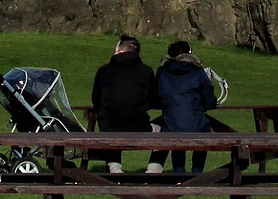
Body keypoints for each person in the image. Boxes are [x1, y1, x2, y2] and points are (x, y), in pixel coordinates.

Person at [90, 34, 160, 174]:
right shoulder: (146, 71)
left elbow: (96, 99)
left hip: (108, 125)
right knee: (163, 130)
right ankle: (154, 168)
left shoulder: (104, 70)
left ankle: (114, 166)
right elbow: (153, 99)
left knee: (114, 121)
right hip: (138, 126)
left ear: (118, 50)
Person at [156, 39, 221, 173]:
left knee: (174, 131)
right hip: (195, 123)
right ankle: (197, 172)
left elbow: (156, 96)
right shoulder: (198, 72)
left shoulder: (162, 72)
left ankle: (179, 172)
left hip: (171, 123)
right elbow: (210, 101)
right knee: (202, 134)